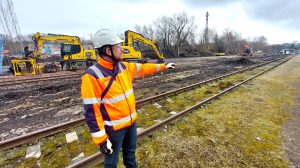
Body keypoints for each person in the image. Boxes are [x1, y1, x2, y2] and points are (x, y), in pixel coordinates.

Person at [81, 29, 175, 168]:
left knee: (130, 156)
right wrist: (101, 140)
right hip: (113, 130)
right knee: (111, 163)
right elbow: (91, 112)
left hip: (131, 124)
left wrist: (163, 66)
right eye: (118, 47)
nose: (122, 49)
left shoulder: (123, 66)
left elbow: (143, 68)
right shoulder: (92, 76)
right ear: (108, 51)